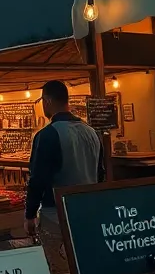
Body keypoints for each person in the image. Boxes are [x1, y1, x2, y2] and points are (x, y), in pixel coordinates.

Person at [24, 80, 104, 237]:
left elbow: (38, 179)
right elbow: (100, 173)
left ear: (47, 101)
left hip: (57, 215)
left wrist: (30, 214)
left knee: (58, 259)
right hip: (89, 210)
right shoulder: (91, 132)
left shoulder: (48, 135)